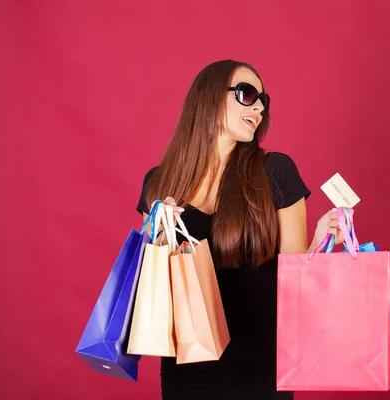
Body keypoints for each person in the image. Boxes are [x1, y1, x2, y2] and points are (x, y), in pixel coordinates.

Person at [136, 59, 347, 400]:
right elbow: (154, 285)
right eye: (247, 94)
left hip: (260, 365)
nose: (260, 106)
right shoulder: (159, 182)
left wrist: (321, 240)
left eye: (264, 99)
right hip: (186, 366)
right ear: (208, 99)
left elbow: (295, 283)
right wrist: (162, 232)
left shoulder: (275, 172)